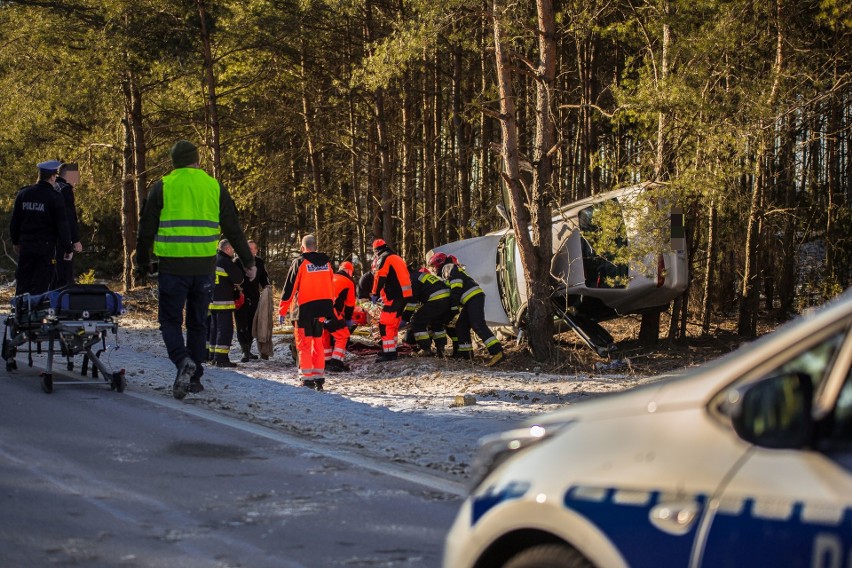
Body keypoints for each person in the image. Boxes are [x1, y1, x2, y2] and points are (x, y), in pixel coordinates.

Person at [135, 140, 256, 400]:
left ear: (174, 161)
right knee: (198, 323)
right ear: (197, 160)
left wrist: (141, 265)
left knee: (169, 321)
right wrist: (248, 262)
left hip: (172, 266)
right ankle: (196, 377)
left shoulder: (163, 186)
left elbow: (145, 230)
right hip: (204, 267)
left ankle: (182, 361)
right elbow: (233, 229)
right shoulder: (214, 186)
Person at [278, 234, 335, 390]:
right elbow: (331, 286)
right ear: (315, 247)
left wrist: (282, 309)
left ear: (303, 247)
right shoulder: (327, 264)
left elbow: (290, 287)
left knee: (303, 344)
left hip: (304, 309)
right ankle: (319, 377)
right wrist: (331, 306)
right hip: (322, 309)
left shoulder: (300, 263)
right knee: (318, 344)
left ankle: (306, 378)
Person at [9, 160, 73, 296]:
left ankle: (20, 311)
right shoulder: (55, 197)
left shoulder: (23, 194)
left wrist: (15, 242)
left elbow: (14, 222)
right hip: (46, 247)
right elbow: (62, 225)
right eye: (55, 177)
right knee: (41, 283)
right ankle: (36, 313)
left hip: (26, 245)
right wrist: (68, 248)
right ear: (52, 177)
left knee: (23, 280)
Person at [429, 252, 504, 366]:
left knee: (478, 324)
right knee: (461, 326)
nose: (433, 269)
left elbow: (456, 285)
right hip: (470, 299)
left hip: (473, 297)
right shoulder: (449, 268)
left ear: (438, 263)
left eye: (433, 266)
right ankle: (465, 354)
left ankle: (497, 352)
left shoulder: (448, 267)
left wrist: (454, 305)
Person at [370, 239, 413, 362]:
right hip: (405, 295)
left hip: (394, 295)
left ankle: (389, 353)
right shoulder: (397, 257)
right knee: (393, 324)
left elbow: (380, 277)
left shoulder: (384, 258)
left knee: (385, 324)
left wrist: (374, 293)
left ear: (376, 251)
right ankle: (391, 350)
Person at [208, 239, 245, 368]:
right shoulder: (226, 262)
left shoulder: (212, 260)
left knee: (214, 329)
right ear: (228, 249)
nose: (233, 252)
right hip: (223, 302)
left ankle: (212, 355)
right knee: (225, 330)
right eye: (233, 250)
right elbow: (239, 279)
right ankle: (221, 358)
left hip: (212, 302)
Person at [402, 266, 451, 356]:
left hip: (436, 298)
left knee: (417, 321)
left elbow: (412, 302)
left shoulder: (410, 279)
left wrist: (405, 318)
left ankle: (426, 349)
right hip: (447, 299)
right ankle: (441, 350)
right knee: (437, 323)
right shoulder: (419, 275)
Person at [235, 239, 270, 362]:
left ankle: (248, 350)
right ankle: (244, 351)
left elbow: (264, 279)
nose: (249, 251)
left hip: (255, 299)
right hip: (240, 298)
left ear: (256, 250)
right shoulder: (237, 261)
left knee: (251, 326)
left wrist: (267, 287)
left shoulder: (259, 262)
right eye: (247, 249)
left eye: (252, 249)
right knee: (241, 325)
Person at [323, 260, 357, 372]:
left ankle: (325, 361)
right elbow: (350, 304)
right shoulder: (349, 282)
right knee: (343, 336)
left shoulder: (331, 277)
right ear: (350, 271)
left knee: (326, 335)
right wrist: (348, 319)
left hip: (318, 310)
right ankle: (336, 363)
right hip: (331, 311)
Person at [53, 163, 83, 287]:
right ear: (69, 174)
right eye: (76, 175)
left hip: (49, 239)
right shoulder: (65, 189)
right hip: (62, 239)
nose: (78, 179)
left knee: (54, 273)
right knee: (65, 273)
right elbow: (69, 217)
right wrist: (75, 239)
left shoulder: (53, 187)